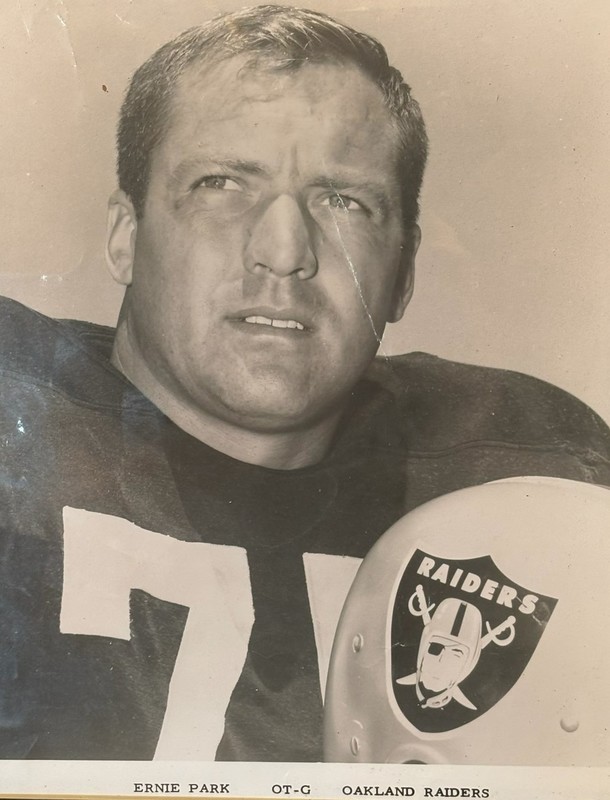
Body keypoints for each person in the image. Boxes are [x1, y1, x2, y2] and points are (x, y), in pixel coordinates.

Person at [0, 4, 608, 763]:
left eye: (344, 201)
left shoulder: (525, 462)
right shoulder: (16, 404)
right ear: (125, 237)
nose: (284, 251)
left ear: (404, 274)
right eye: (221, 183)